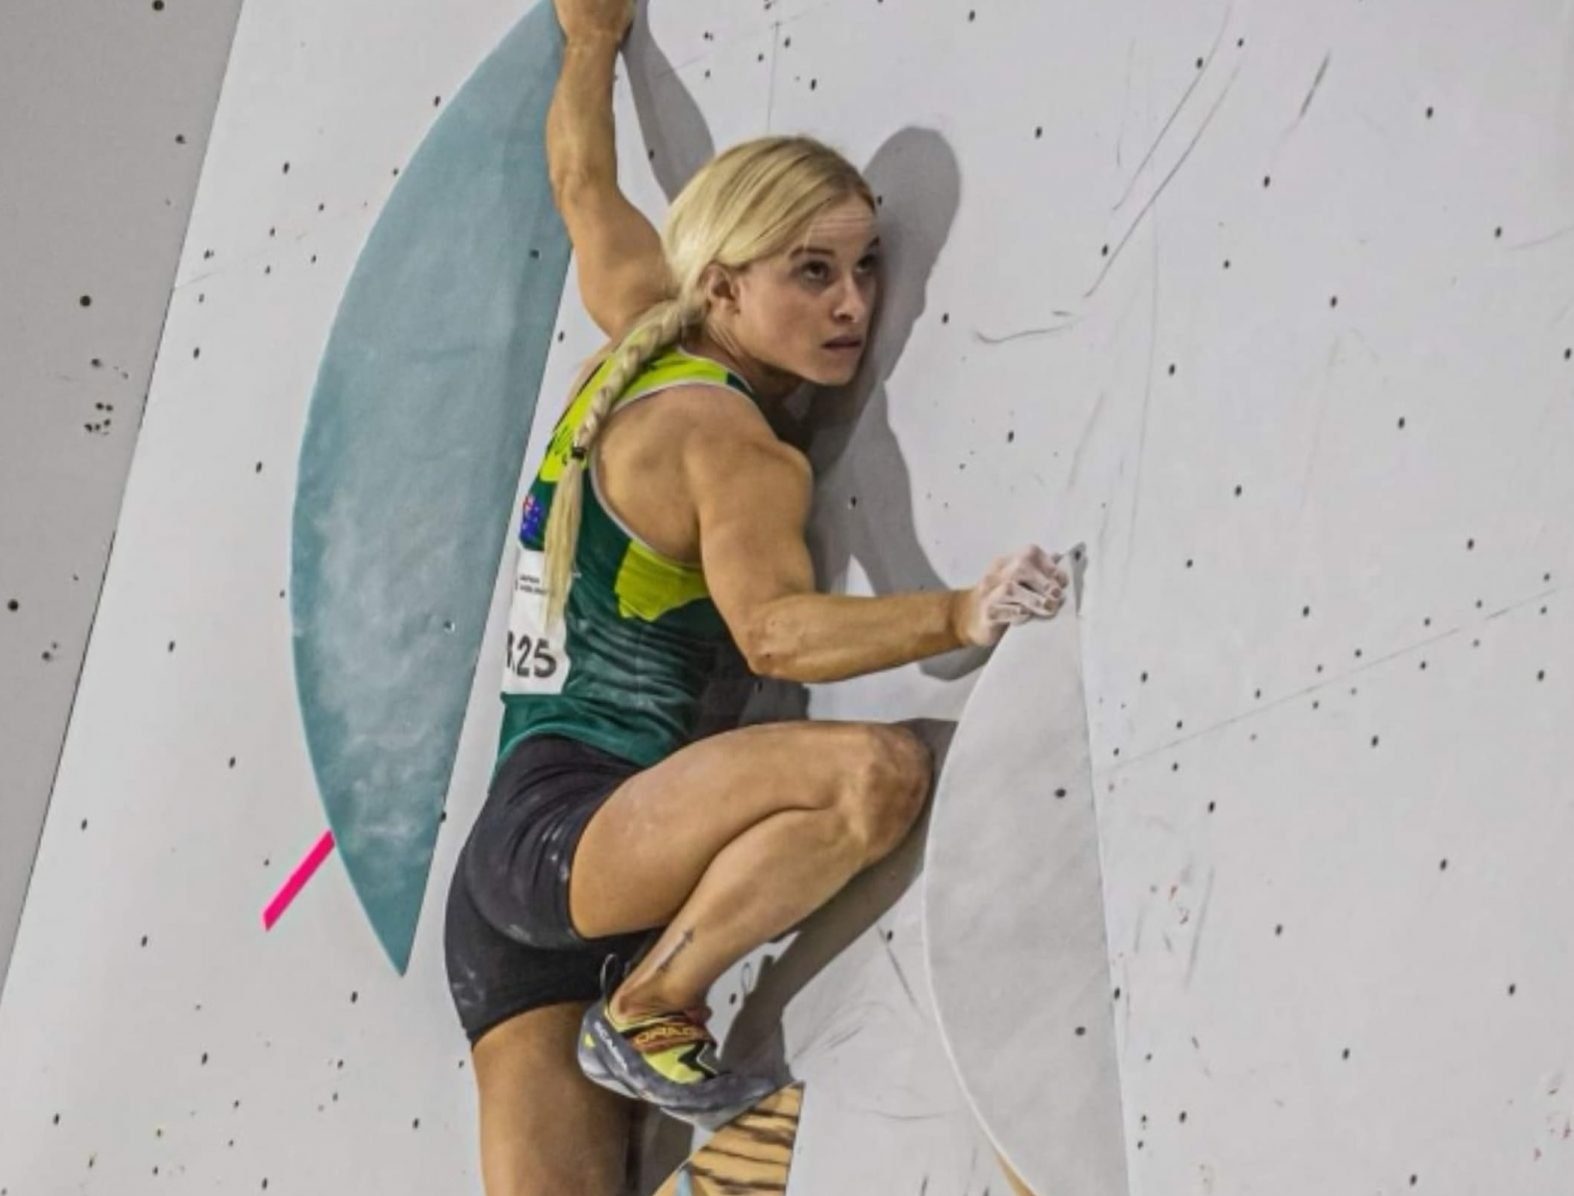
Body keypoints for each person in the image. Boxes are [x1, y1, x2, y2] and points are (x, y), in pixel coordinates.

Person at [443, 2, 1070, 1191]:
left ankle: (642, 990)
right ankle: (654, 1001)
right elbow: (774, 629)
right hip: (583, 834)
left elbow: (584, 184)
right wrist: (958, 611)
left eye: (865, 268)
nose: (851, 306)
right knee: (872, 774)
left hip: (512, 879)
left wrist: (591, 43)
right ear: (728, 282)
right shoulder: (727, 441)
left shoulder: (647, 318)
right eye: (813, 272)